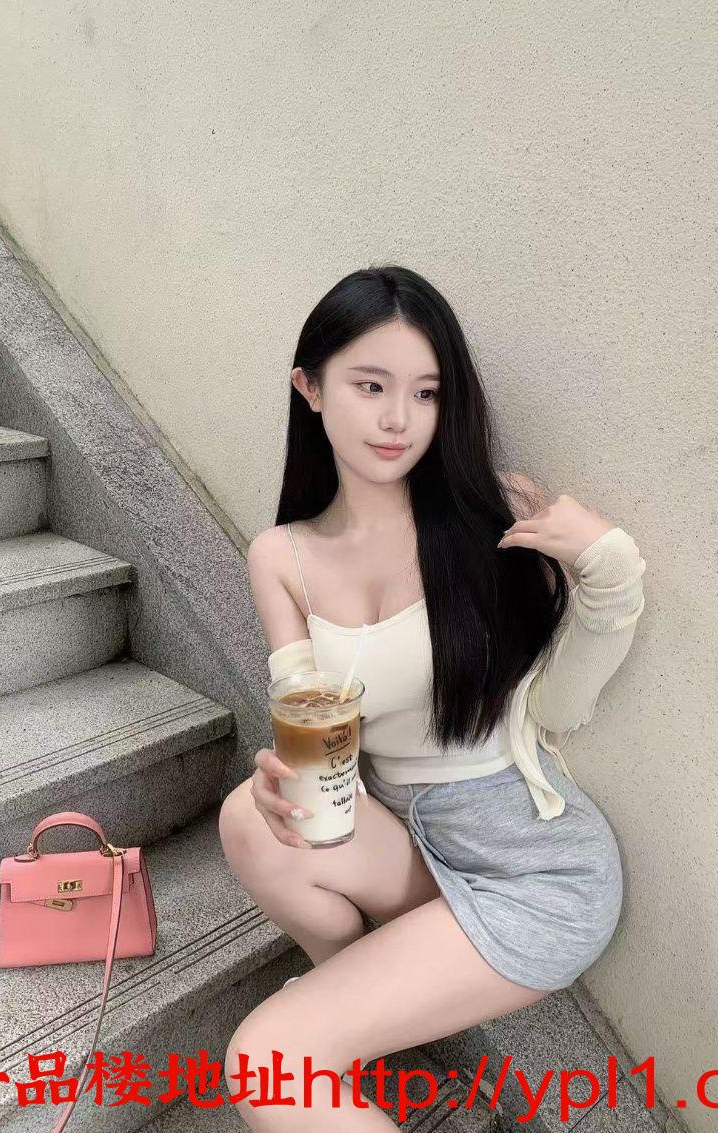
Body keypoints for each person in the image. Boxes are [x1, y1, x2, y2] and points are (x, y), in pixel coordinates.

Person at [218, 264, 647, 1129]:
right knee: (248, 819)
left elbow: (559, 708)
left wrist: (609, 568)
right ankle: (362, 1012)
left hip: (534, 867)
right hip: (413, 837)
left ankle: (342, 1025)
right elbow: (314, 726)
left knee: (265, 1063)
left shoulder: (495, 513)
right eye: (371, 385)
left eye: (425, 392)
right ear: (310, 387)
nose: (398, 419)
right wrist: (285, 783)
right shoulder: (282, 556)